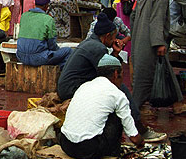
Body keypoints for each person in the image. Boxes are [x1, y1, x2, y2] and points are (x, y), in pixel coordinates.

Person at [58, 12, 166, 143]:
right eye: (114, 37)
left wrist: (115, 53)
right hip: (71, 88)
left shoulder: (90, 42)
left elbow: (108, 70)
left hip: (70, 85)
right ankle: (139, 128)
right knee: (121, 89)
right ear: (107, 36)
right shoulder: (97, 48)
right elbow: (111, 75)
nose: (115, 40)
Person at [130, 0, 186, 114]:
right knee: (145, 76)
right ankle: (135, 107)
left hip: (141, 39)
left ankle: (177, 103)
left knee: (165, 70)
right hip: (151, 42)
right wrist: (159, 43)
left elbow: (133, 17)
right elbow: (157, 19)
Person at [60, 54, 144, 159]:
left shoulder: (84, 86)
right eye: (122, 74)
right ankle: (113, 155)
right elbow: (134, 137)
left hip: (66, 144)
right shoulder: (117, 94)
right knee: (117, 115)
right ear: (116, 73)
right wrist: (141, 141)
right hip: (88, 150)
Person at [16, 0, 71, 68]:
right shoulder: (48, 19)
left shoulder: (24, 16)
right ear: (46, 6)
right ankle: (60, 74)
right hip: (38, 58)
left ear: (35, 4)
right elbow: (52, 45)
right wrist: (56, 51)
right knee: (68, 51)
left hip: (21, 56)